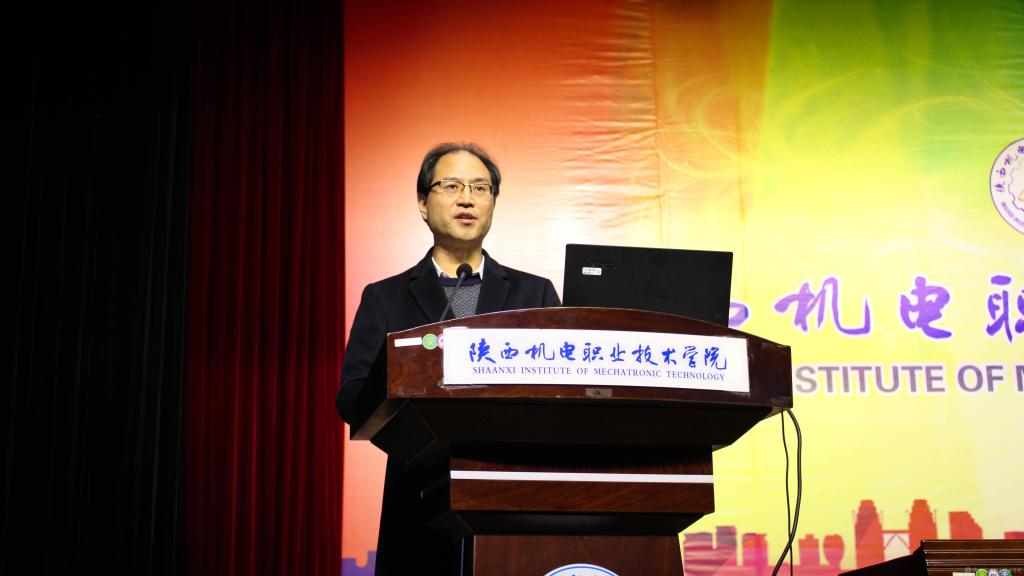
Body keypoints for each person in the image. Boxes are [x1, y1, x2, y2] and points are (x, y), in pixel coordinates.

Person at [336, 142, 560, 574]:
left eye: (480, 187)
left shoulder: (535, 294)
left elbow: (560, 393)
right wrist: (403, 379)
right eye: (452, 185)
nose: (467, 198)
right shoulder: (385, 297)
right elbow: (351, 398)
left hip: (512, 496)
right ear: (423, 204)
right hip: (418, 499)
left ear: (493, 202)